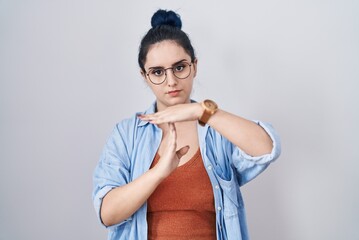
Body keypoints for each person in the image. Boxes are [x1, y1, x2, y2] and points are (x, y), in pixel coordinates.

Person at [92, 9, 281, 240]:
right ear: (144, 76)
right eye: (158, 72)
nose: (171, 81)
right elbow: (107, 213)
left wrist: (202, 111)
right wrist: (159, 172)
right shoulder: (126, 134)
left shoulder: (217, 131)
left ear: (194, 66)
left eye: (179, 67)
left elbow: (267, 149)